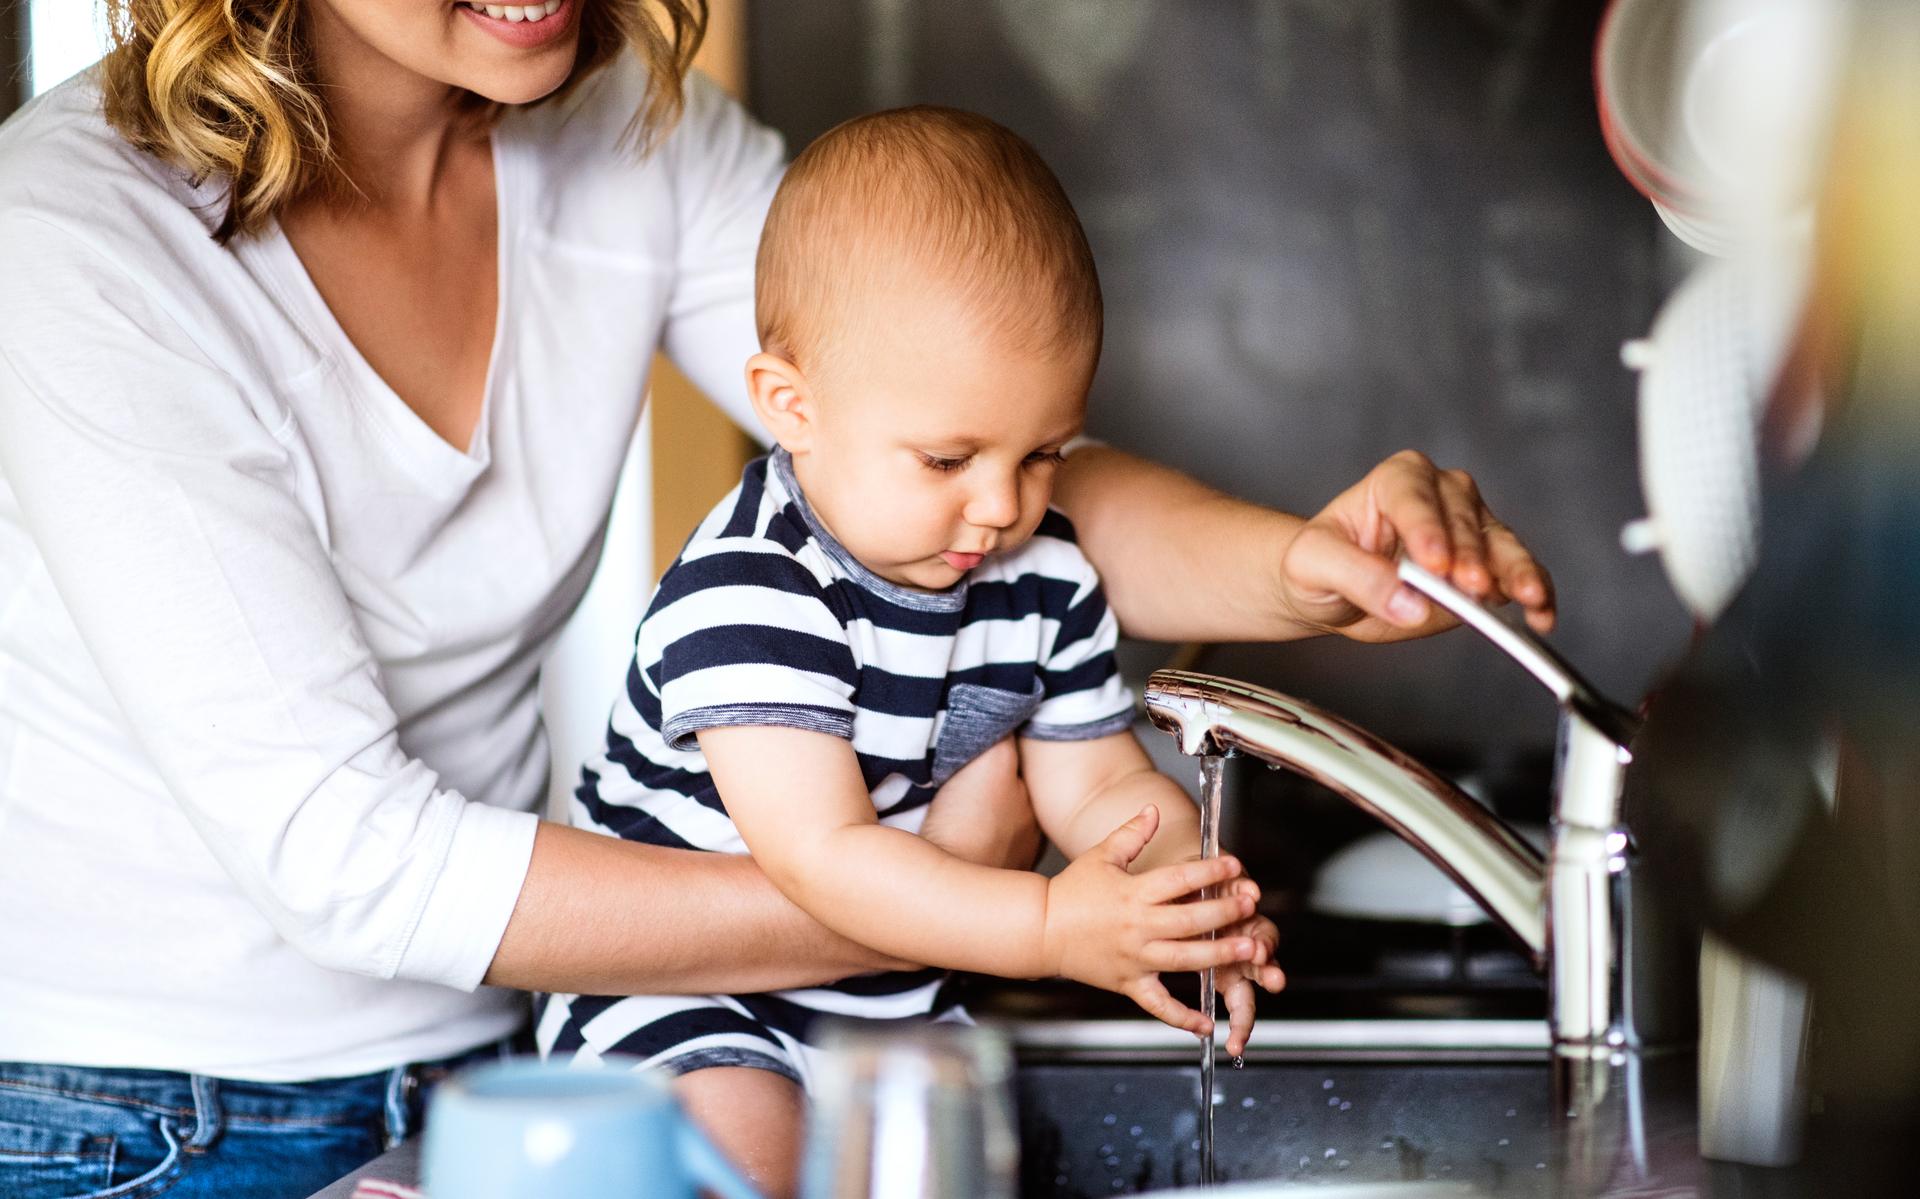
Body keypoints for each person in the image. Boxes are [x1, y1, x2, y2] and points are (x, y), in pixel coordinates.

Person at [0, 3, 1554, 1197]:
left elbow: (976, 471)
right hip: (155, 1113)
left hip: (510, 1063)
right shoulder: (79, 241)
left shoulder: (617, 128)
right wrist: (972, 899)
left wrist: (1307, 566)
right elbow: (349, 859)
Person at [537, 106, 1287, 1192]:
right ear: (791, 407)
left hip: (894, 1002)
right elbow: (825, 854)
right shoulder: (751, 588)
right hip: (693, 996)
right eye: (947, 459)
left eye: (1041, 453)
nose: (998, 505)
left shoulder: (1043, 568)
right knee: (756, 1150)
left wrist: (1173, 891)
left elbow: (1099, 779)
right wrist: (1046, 923)